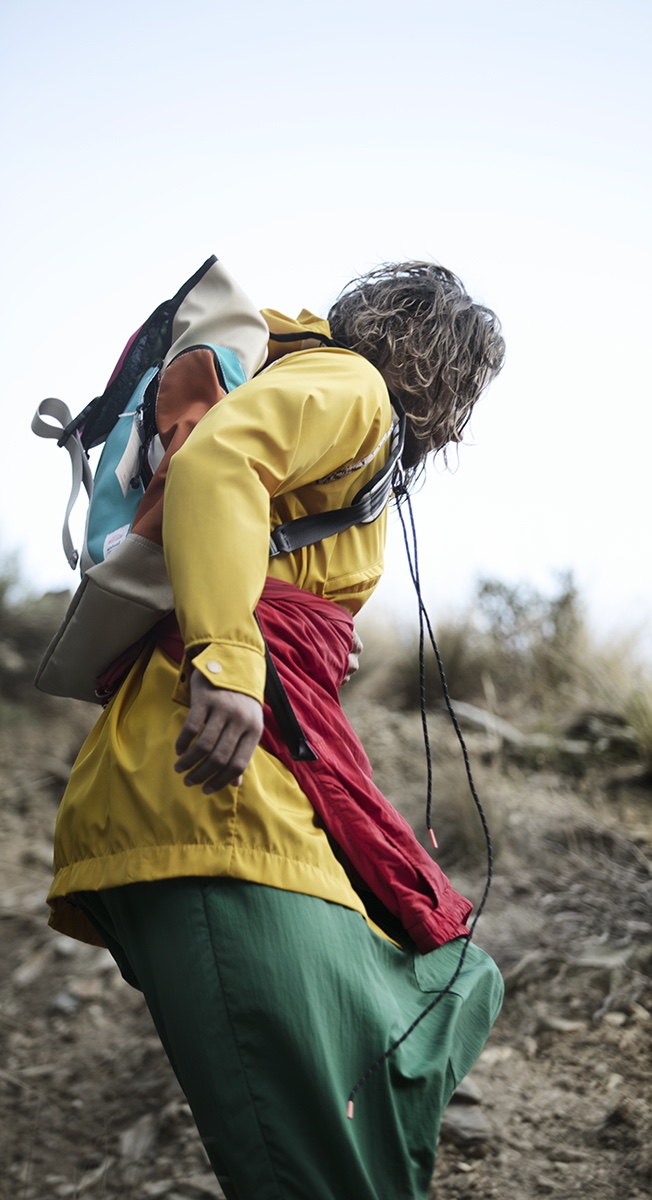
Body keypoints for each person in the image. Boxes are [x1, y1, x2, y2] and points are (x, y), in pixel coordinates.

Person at [47, 261, 506, 1200]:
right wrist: (230, 657)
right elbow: (220, 464)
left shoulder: (329, 405)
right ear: (446, 373)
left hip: (223, 800)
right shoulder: (354, 387)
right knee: (310, 1169)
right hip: (216, 799)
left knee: (459, 977)